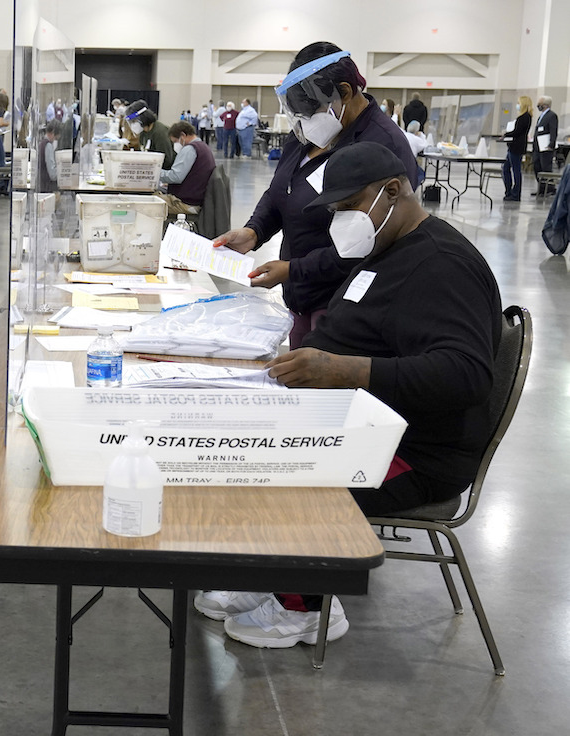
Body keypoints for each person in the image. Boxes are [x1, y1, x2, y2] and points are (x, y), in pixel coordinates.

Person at [199, 141, 502, 649]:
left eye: (351, 205)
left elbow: (466, 374)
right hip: (362, 421)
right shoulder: (387, 249)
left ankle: (307, 606)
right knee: (243, 443)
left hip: (414, 450)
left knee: (292, 470)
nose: (343, 221)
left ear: (394, 191)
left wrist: (345, 370)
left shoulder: (442, 265)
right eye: (336, 210)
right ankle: (273, 570)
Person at [212, 42, 420, 349]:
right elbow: (281, 190)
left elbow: (369, 243)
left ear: (345, 92)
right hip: (301, 294)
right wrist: (254, 231)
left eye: (313, 110)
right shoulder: (309, 133)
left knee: (322, 374)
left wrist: (293, 270)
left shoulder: (382, 146)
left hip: (345, 303)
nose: (306, 120)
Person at [159, 121, 216, 217]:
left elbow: (176, 177)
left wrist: (155, 172)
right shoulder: (203, 146)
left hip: (185, 204)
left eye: (175, 141)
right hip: (196, 199)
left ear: (183, 135)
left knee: (148, 203)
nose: (176, 145)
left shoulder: (189, 149)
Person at [123, 101, 174, 170]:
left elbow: (166, 160)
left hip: (164, 171)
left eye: (134, 121)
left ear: (142, 118)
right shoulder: (143, 133)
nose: (132, 125)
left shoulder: (159, 132)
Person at [501, 96, 533, 201]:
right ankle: (509, 191)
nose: (517, 105)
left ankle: (515, 193)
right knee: (506, 168)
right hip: (514, 146)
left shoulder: (524, 117)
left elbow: (517, 132)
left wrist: (506, 134)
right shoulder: (524, 117)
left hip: (516, 147)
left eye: (519, 103)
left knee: (516, 170)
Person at [532, 95, 559, 196]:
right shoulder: (541, 116)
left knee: (545, 168)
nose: (538, 105)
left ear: (545, 105)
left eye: (540, 104)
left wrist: (551, 144)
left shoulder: (552, 115)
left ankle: (549, 188)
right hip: (537, 146)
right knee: (537, 166)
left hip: (545, 146)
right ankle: (541, 188)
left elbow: (553, 130)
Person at [37, 123, 59, 194]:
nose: (55, 139)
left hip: (41, 184)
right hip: (47, 186)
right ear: (52, 133)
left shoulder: (41, 143)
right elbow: (52, 174)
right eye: (55, 137)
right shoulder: (48, 146)